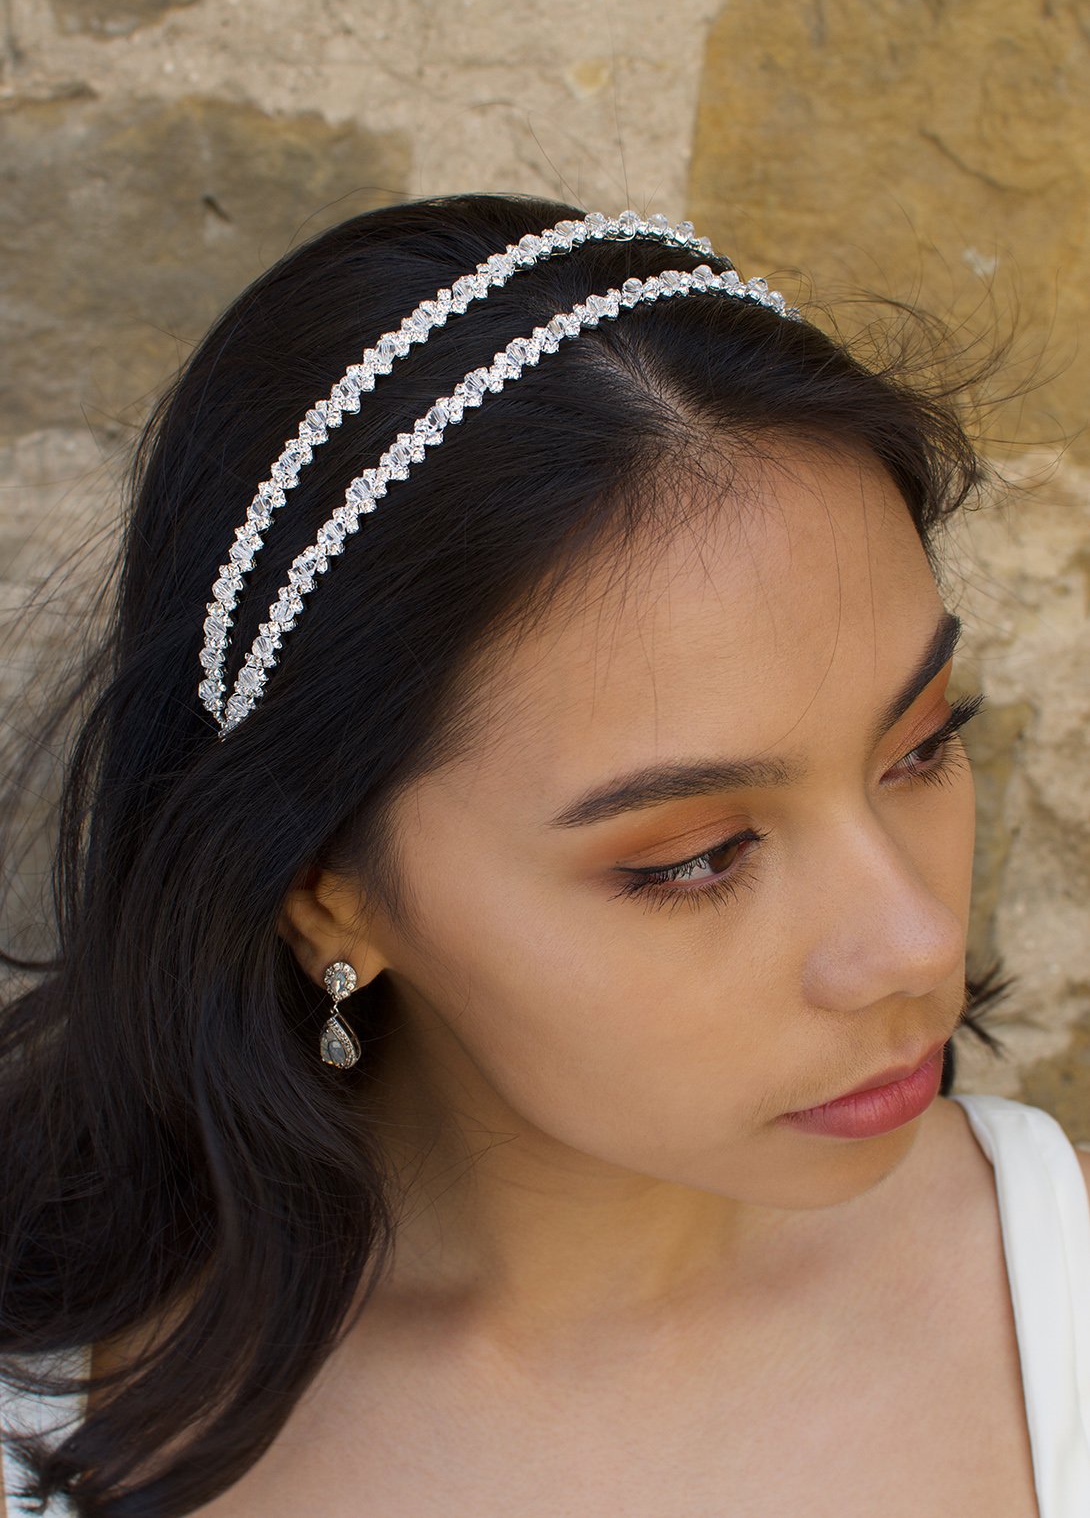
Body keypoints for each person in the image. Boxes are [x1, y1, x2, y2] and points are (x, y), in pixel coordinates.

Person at [0, 195, 1086, 1517]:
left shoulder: (1055, 1306)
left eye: (919, 747)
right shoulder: (56, 1419)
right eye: (695, 857)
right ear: (327, 895)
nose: (911, 941)